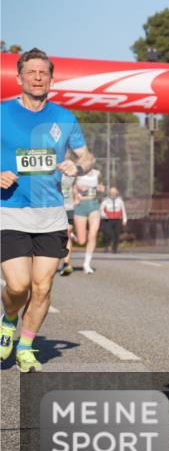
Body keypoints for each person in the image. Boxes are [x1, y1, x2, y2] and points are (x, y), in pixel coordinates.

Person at [1, 48, 96, 371]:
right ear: (19, 78)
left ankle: (26, 346)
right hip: (10, 210)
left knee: (42, 286)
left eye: (44, 73)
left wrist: (76, 165)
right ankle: (9, 318)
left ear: (52, 79)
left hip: (51, 214)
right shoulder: (2, 112)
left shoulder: (64, 117)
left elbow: (87, 157)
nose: (38, 78)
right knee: (18, 286)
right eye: (32, 72)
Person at [73, 166, 102, 273]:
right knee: (81, 241)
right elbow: (68, 186)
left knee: (93, 234)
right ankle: (71, 235)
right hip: (80, 205)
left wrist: (100, 188)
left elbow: (102, 186)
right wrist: (76, 192)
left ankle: (86, 263)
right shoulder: (76, 172)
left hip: (94, 204)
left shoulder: (97, 173)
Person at [100, 185, 127, 253]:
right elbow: (101, 209)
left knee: (116, 234)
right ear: (109, 192)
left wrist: (124, 219)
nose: (113, 193)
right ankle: (106, 246)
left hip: (117, 219)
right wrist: (104, 215)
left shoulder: (120, 200)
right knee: (108, 233)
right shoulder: (106, 200)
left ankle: (114, 248)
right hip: (108, 219)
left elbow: (123, 210)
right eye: (111, 192)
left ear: (117, 192)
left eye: (114, 192)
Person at [58, 171, 75, 275]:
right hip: (54, 208)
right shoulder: (49, 170)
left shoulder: (72, 173)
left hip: (68, 208)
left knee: (67, 234)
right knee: (55, 236)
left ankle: (66, 263)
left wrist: (77, 197)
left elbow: (77, 187)